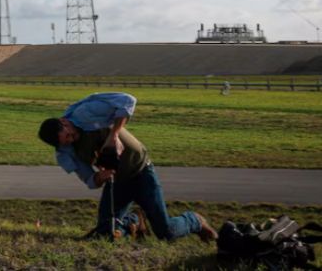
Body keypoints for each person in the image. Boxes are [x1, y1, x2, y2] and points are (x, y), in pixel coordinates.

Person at [37, 92, 217, 242]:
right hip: (118, 183)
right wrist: (100, 177)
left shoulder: (86, 112)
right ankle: (134, 221)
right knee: (105, 233)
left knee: (166, 232)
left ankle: (195, 220)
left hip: (141, 171)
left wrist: (114, 135)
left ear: (64, 122)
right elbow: (90, 180)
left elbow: (127, 100)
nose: (70, 140)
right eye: (65, 142)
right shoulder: (65, 152)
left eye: (69, 135)